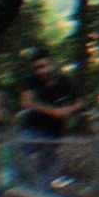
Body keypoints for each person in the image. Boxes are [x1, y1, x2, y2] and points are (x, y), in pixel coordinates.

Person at [19, 53, 84, 185]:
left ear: (53, 64)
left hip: (54, 132)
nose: (41, 70)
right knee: (19, 157)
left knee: (46, 167)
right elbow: (26, 102)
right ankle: (20, 186)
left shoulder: (65, 82)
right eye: (37, 68)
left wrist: (68, 110)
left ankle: (41, 191)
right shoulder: (31, 81)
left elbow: (81, 102)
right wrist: (53, 111)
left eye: (44, 66)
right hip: (32, 129)